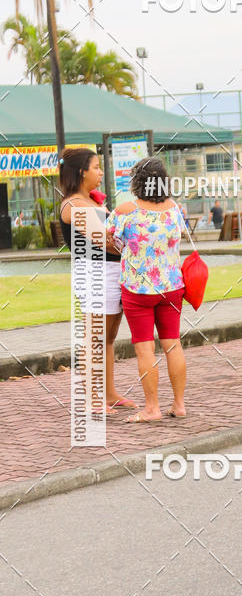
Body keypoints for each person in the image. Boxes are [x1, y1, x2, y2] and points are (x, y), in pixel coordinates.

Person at [106, 157, 187, 423]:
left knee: (145, 349)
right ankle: (178, 404)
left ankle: (152, 408)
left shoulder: (125, 211)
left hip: (138, 289)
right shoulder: (175, 209)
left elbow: (108, 240)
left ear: (137, 182)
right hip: (173, 286)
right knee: (173, 344)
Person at [59, 147, 137, 413]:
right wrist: (140, 246)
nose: (101, 172)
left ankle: (110, 394)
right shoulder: (73, 205)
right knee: (95, 337)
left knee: (109, 337)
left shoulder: (93, 202)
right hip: (95, 274)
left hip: (112, 272)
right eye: (96, 167)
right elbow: (106, 239)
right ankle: (92, 398)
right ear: (81, 172)